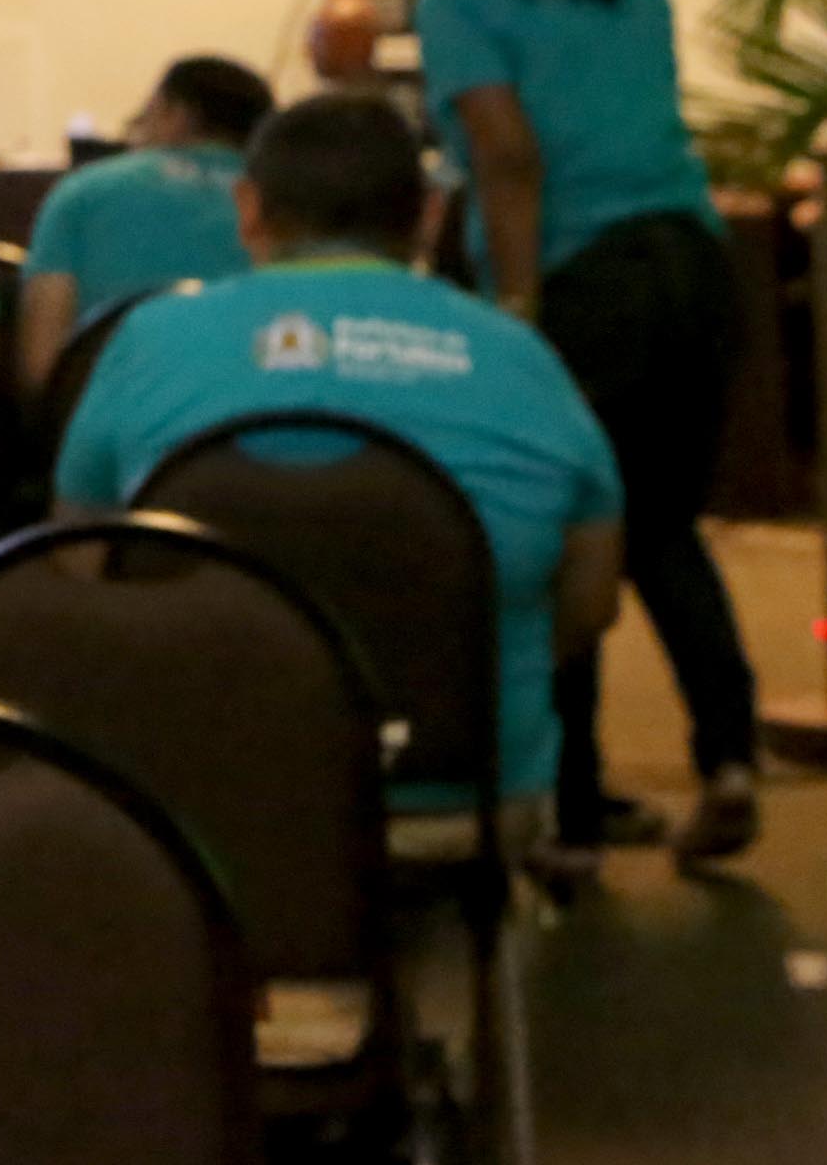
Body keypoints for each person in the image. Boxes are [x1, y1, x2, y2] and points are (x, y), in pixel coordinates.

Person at [57, 94, 625, 830]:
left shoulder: (149, 340)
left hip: (202, 808)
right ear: (427, 215)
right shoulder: (523, 359)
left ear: (249, 210)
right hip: (467, 804)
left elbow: (81, 567)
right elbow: (591, 602)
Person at [419, 0, 756, 866]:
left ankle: (569, 806)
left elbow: (507, 156)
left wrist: (516, 312)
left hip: (586, 282)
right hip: (694, 269)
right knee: (661, 526)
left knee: (561, 524)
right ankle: (730, 757)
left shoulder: (463, 0)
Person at [15, 53, 274, 388]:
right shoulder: (289, 201)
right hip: (253, 413)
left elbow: (43, 362)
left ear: (177, 114)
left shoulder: (83, 192)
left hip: (112, 413)